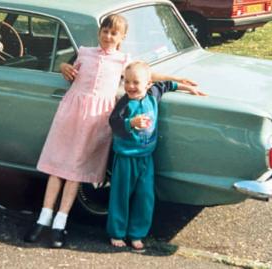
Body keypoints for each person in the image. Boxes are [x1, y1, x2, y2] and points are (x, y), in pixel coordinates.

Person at [24, 14, 196, 248]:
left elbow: (148, 75)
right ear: (99, 33)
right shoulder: (84, 52)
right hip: (71, 115)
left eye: (114, 33)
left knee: (75, 172)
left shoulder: (122, 61)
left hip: (96, 121)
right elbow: (66, 66)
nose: (108, 36)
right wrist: (62, 66)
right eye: (105, 31)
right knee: (57, 166)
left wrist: (177, 80)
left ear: (122, 38)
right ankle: (43, 220)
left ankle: (59, 224)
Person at [107, 61, 206, 250]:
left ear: (148, 84)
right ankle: (117, 233)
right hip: (126, 157)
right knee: (121, 195)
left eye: (136, 82)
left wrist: (187, 87)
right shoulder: (125, 102)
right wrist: (131, 123)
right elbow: (114, 122)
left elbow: (167, 84)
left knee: (145, 196)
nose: (130, 86)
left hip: (146, 157)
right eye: (127, 81)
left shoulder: (153, 94)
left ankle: (136, 234)